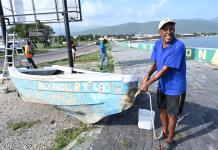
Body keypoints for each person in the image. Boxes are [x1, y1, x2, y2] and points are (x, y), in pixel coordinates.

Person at [139, 18, 186, 150]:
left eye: (171, 28)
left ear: (174, 30)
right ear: (160, 32)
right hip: (163, 86)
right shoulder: (158, 44)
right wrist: (147, 75)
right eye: (165, 29)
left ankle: (170, 140)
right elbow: (156, 64)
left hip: (175, 87)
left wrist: (148, 83)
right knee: (161, 110)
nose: (168, 32)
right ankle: (165, 131)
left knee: (172, 114)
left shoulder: (178, 46)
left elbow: (165, 69)